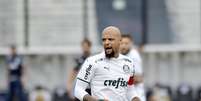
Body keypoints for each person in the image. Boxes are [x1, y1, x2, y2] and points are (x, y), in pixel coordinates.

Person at [73, 26, 140, 101]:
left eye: (110, 39)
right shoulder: (92, 61)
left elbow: (130, 89)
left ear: (119, 41)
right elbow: (78, 90)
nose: (106, 42)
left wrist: (135, 98)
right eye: (104, 40)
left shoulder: (129, 63)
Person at [120, 34, 146, 101]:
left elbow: (138, 78)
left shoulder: (134, 56)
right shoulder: (119, 56)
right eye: (122, 43)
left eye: (126, 43)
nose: (123, 46)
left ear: (131, 44)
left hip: (136, 94)